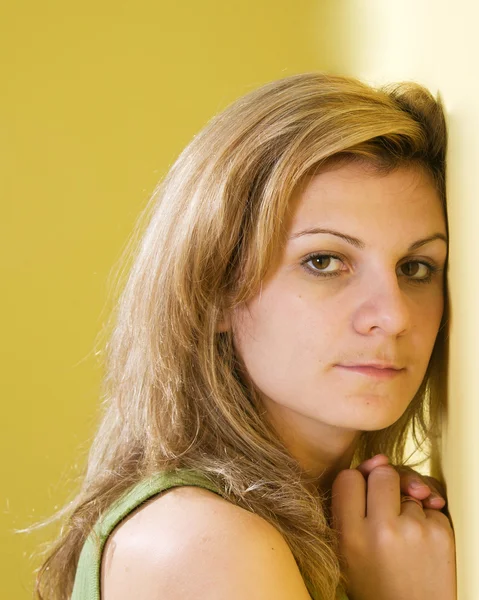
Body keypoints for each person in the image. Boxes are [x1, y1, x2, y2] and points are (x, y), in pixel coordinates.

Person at [34, 72, 455, 600]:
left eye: (415, 267)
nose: (392, 315)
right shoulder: (206, 546)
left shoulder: (320, 531)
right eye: (323, 261)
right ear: (213, 292)